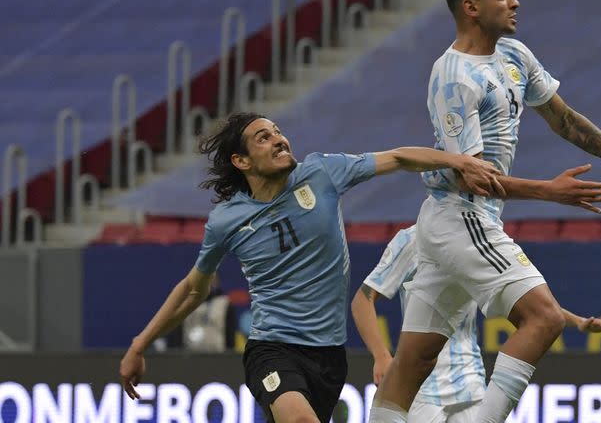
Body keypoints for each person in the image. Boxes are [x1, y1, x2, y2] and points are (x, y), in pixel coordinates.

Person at [368, 0, 601, 423]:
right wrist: (548, 191)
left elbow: (564, 119)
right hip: (463, 215)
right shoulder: (453, 76)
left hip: (454, 221)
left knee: (411, 363)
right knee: (545, 318)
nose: (514, 1)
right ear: (471, 7)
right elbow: (468, 174)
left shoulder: (514, 55)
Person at [118, 112, 508, 423]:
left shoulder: (322, 173)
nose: (279, 139)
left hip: (329, 358)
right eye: (263, 138)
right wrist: (139, 344)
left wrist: (458, 161)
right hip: (273, 349)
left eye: (278, 132)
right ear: (241, 161)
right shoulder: (227, 220)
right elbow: (193, 289)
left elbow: (400, 157)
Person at [352, 225, 601, 423]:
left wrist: (579, 322)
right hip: (422, 386)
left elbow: (526, 300)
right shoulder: (412, 240)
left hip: (469, 383)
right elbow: (363, 300)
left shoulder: (478, 242)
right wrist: (381, 356)